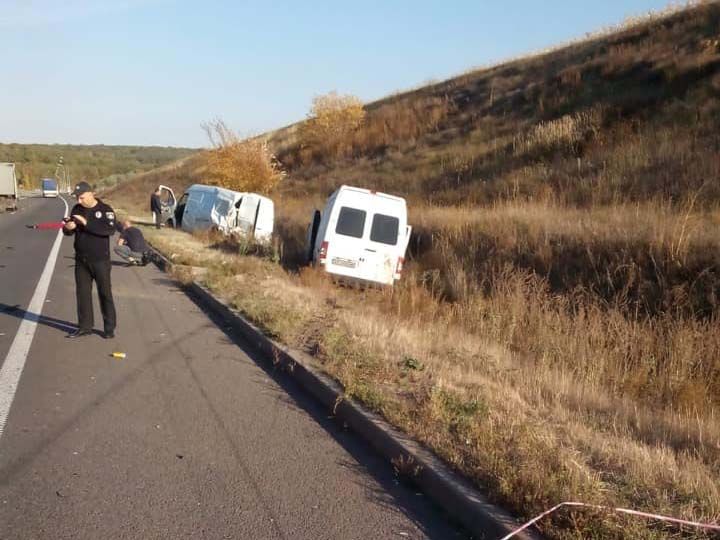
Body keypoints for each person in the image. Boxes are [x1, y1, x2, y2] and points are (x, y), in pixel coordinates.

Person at [62, 181, 117, 339]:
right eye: (77, 198)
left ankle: (109, 328)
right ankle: (85, 326)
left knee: (105, 293)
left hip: (100, 260)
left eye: (82, 197)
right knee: (82, 294)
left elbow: (109, 230)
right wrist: (68, 228)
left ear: (91, 193)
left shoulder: (105, 210)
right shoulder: (77, 209)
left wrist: (86, 223)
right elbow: (68, 232)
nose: (79, 201)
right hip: (81, 260)